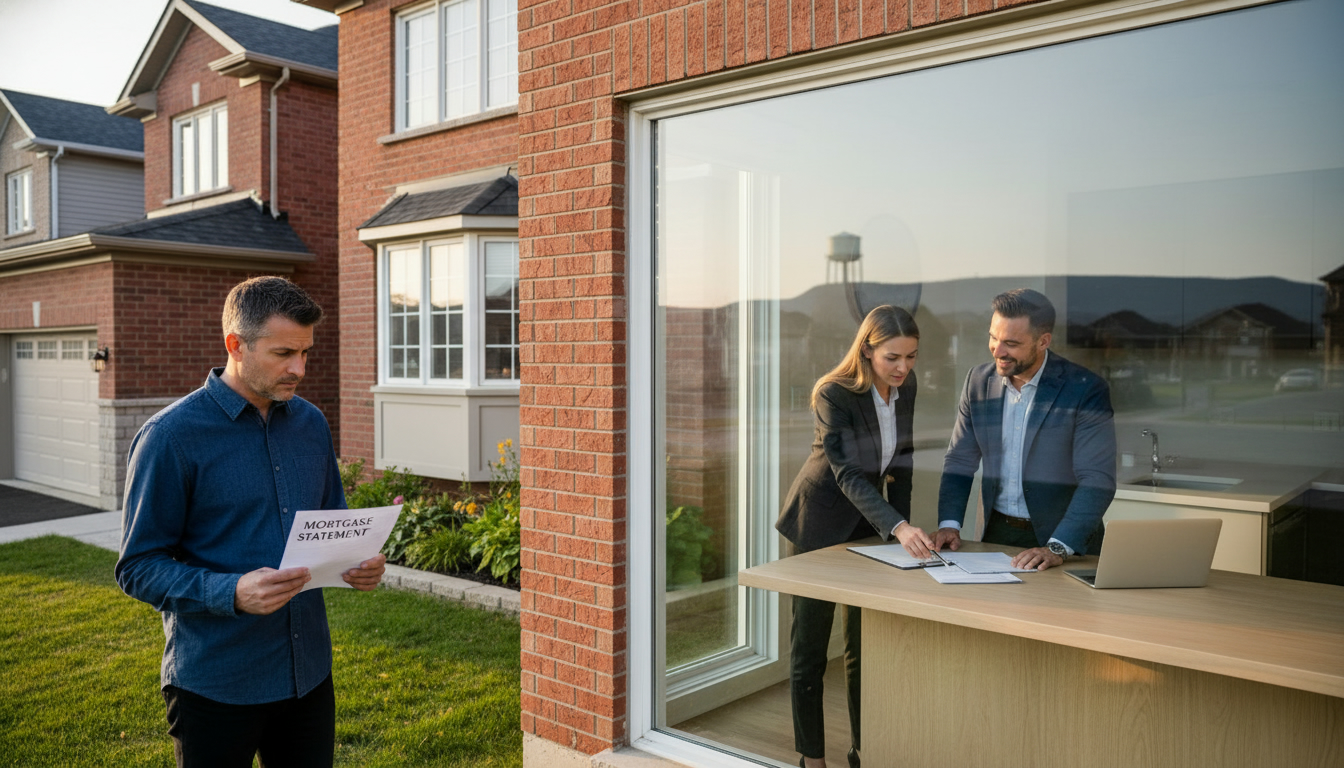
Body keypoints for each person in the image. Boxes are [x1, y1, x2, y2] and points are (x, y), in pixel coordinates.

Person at [116, 276, 386, 768]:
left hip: (308, 676)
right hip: (216, 683)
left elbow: (333, 522)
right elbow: (138, 566)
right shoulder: (170, 437)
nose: (299, 369)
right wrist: (232, 591)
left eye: (305, 353)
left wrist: (359, 562)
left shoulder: (310, 423)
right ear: (235, 345)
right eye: (284, 353)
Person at [776, 305, 934, 768]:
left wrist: (899, 531)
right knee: (810, 647)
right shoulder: (834, 393)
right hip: (817, 525)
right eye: (893, 358)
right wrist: (899, 527)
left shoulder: (908, 388)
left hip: (870, 527)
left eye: (912, 356)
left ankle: (863, 750)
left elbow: (900, 463)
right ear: (867, 349)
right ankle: (811, 757)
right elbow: (846, 473)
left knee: (863, 647)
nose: (904, 368)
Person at [933, 288, 1116, 569]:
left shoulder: (1085, 390)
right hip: (996, 534)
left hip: (1064, 542)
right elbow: (960, 459)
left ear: (1043, 341)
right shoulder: (978, 382)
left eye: (1011, 343)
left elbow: (1097, 479)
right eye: (993, 338)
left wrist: (1058, 547)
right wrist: (949, 523)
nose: (998, 350)